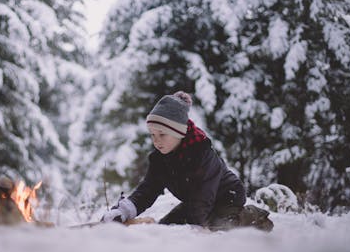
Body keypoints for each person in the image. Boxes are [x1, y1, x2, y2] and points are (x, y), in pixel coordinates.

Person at [102, 91, 273, 231]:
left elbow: (204, 195)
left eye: (162, 134)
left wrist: (196, 226)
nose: (156, 140)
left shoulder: (202, 154)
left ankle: (252, 216)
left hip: (227, 197)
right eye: (153, 135)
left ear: (179, 133)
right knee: (167, 229)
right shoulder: (159, 160)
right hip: (195, 201)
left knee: (217, 228)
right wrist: (124, 211)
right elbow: (147, 190)